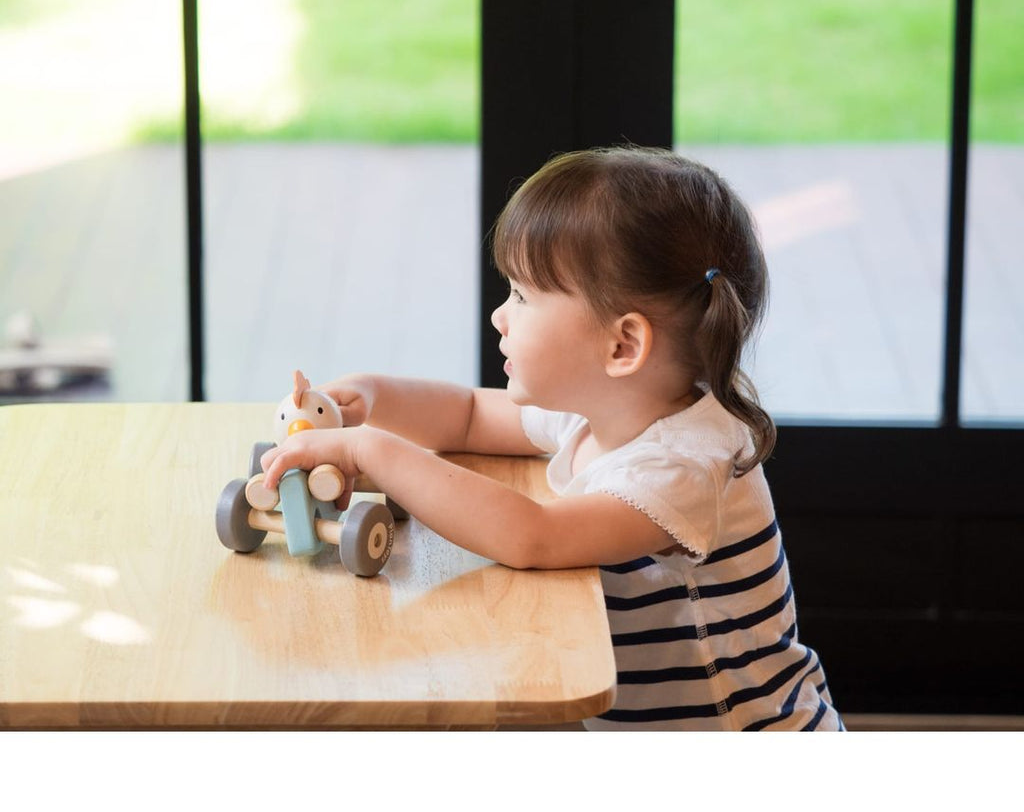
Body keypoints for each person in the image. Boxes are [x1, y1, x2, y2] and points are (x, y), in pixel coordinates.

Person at [260, 145, 843, 731]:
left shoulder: (683, 466)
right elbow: (466, 415)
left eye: (522, 296)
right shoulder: (605, 409)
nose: (500, 316)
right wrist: (375, 397)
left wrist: (371, 452)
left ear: (622, 347)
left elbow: (531, 537)